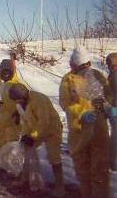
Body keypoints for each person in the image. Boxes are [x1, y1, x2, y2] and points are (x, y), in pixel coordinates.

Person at [59, 47, 110, 198]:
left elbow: (108, 97)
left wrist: (109, 109)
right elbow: (64, 102)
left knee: (100, 169)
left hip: (98, 129)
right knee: (83, 169)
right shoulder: (67, 79)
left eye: (85, 66)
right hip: (79, 129)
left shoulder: (98, 75)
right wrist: (81, 113)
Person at [9, 83, 65, 197]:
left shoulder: (39, 100)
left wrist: (33, 136)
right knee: (26, 150)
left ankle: (60, 187)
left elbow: (44, 123)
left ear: (24, 96)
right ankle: (25, 179)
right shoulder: (20, 104)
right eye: (15, 101)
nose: (17, 103)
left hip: (52, 130)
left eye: (18, 100)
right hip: (36, 129)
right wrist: (25, 135)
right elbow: (26, 122)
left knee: (54, 157)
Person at [0, 59, 22, 152]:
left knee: (12, 143)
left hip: (12, 120)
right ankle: (2, 163)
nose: (6, 74)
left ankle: (12, 165)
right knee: (1, 141)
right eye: (4, 71)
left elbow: (23, 101)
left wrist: (19, 113)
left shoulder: (17, 84)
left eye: (8, 71)